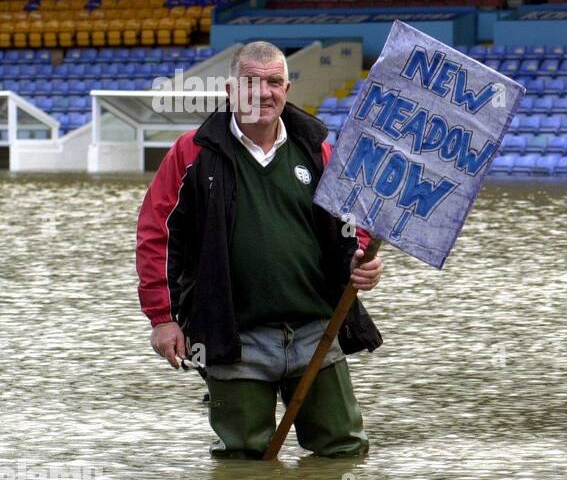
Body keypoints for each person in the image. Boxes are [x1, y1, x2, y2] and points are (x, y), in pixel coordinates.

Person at [136, 40, 384, 458]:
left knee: (343, 451)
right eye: (251, 82)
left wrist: (359, 263)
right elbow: (154, 235)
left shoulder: (317, 149)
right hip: (232, 335)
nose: (263, 93)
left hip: (315, 332)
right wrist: (162, 318)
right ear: (231, 90)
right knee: (241, 461)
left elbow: (350, 225)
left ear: (287, 89)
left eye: (273, 82)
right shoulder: (192, 153)